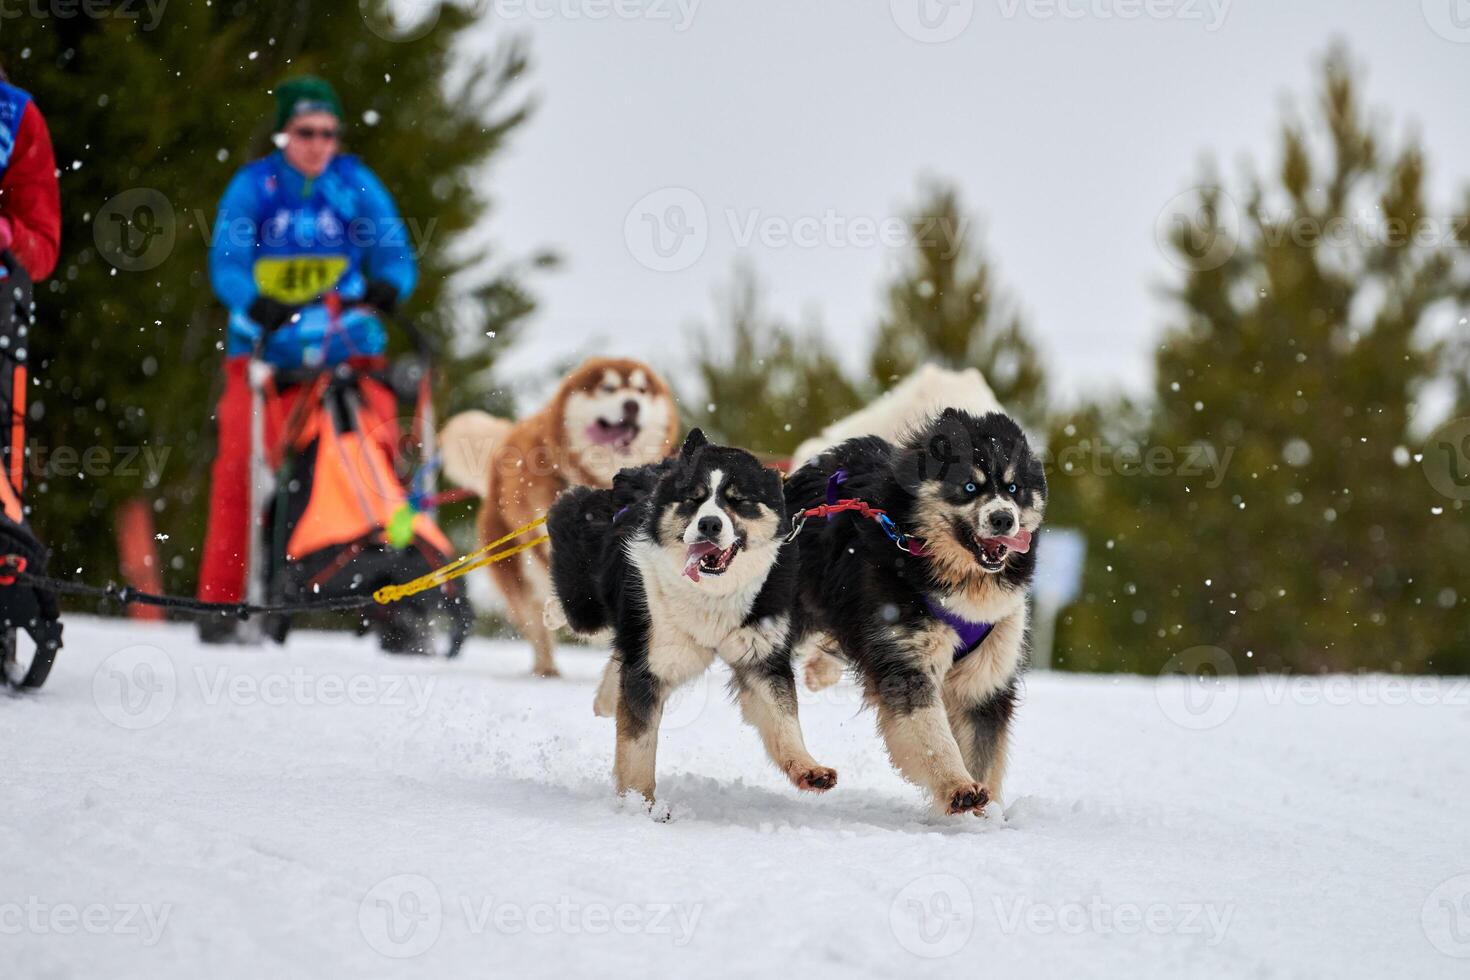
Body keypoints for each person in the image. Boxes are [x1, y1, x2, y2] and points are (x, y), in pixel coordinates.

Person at [197, 75, 417, 639]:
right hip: (266, 360)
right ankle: (223, 606)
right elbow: (227, 263)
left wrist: (389, 285)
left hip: (347, 357)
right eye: (306, 132)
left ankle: (398, 594)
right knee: (241, 472)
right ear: (283, 133)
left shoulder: (354, 185)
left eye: (328, 133)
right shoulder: (255, 187)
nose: (318, 144)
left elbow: (394, 252)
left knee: (379, 464)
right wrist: (252, 301)